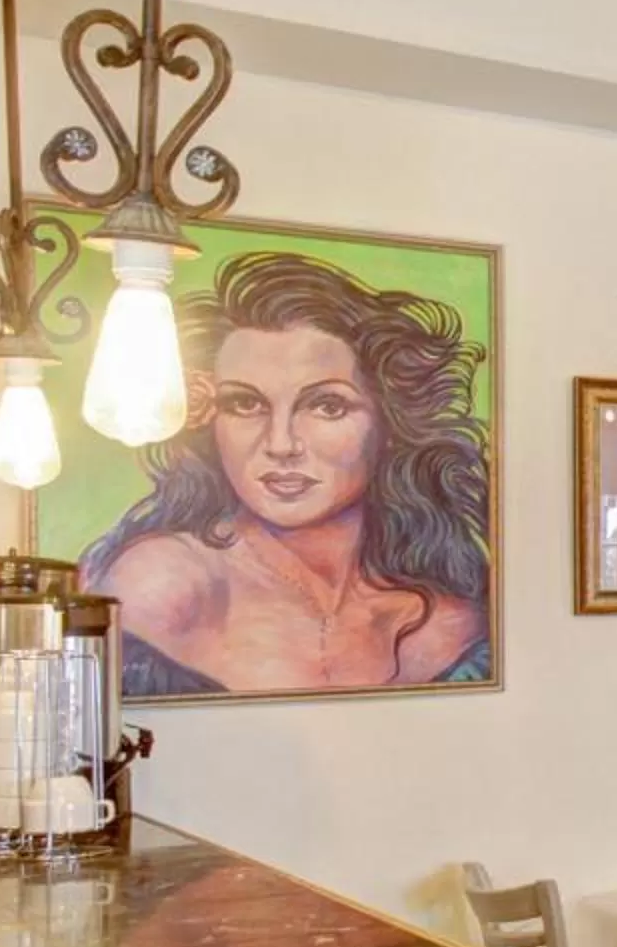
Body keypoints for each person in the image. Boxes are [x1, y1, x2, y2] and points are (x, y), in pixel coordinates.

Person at [86, 251, 493, 696]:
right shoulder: (165, 585)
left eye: (327, 406)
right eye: (245, 404)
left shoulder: (452, 619)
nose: (280, 444)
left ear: (389, 425)